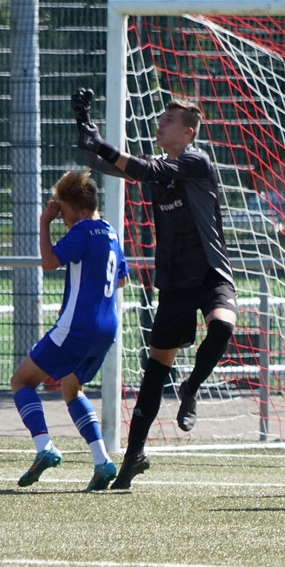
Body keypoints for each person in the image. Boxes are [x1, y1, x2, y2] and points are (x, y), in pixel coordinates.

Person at [71, 87, 237, 490]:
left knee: (221, 327)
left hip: (211, 274)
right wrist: (84, 124)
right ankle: (134, 455)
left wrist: (101, 144)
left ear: (188, 132)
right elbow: (98, 161)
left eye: (169, 121)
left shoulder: (196, 161)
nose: (160, 124)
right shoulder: (158, 166)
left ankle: (191, 387)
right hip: (175, 282)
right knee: (155, 370)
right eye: (161, 119)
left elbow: (142, 169)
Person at [10, 170, 129, 490]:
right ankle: (102, 462)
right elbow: (120, 280)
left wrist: (44, 222)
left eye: (62, 211)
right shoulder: (111, 232)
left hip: (78, 326)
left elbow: (49, 262)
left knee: (21, 381)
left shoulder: (82, 230)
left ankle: (44, 447)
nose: (60, 217)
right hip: (107, 328)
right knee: (71, 388)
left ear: (79, 210)